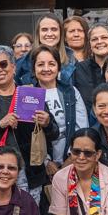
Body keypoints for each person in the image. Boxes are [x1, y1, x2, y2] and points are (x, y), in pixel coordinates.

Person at [0, 45, 57, 192]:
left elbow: (54, 134)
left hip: (28, 173)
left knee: (27, 207)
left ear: (13, 67)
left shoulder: (31, 95)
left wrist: (47, 123)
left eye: (3, 64)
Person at [31, 45, 87, 180]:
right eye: (40, 64)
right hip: (43, 165)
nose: (46, 69)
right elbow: (28, 134)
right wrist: (46, 161)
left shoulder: (71, 91)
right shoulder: (29, 95)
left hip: (72, 159)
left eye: (51, 64)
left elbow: (82, 127)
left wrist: (71, 158)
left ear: (58, 67)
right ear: (33, 68)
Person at [72, 24, 108, 114]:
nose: (99, 42)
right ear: (90, 44)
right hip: (87, 121)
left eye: (104, 37)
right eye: (94, 39)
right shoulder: (78, 69)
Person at [15, 14, 66, 86]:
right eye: (44, 30)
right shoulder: (21, 64)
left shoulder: (72, 60)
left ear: (60, 33)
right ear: (38, 33)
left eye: (54, 29)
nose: (49, 34)